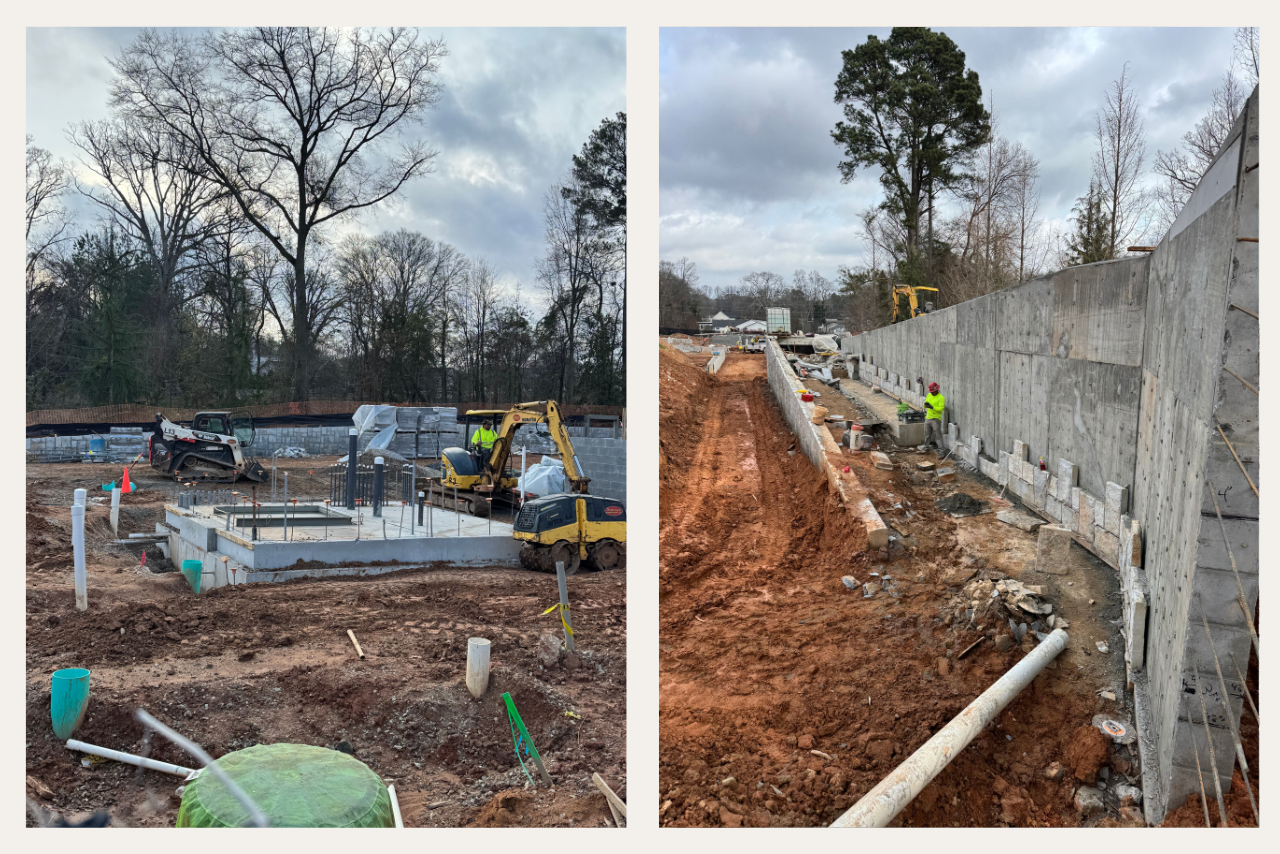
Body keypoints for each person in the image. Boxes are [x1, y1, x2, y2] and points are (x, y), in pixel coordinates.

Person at [924, 382, 946, 454]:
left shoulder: (941, 398)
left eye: (933, 392)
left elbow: (941, 409)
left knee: (938, 436)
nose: (932, 393)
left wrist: (932, 407)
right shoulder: (929, 395)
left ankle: (941, 451)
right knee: (927, 435)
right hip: (928, 418)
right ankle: (925, 447)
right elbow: (925, 404)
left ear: (936, 390)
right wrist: (925, 405)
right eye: (931, 392)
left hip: (935, 419)